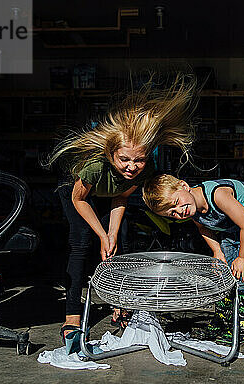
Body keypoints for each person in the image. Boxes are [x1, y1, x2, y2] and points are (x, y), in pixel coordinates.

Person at [46, 74, 199, 341]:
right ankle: (72, 313)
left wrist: (113, 234)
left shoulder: (144, 169)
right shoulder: (95, 166)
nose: (131, 166)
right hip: (76, 191)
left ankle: (121, 304)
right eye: (124, 159)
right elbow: (79, 200)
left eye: (138, 160)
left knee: (122, 241)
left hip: (109, 193)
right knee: (82, 240)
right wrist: (102, 234)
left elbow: (120, 198)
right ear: (111, 154)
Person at [142, 174, 244, 345]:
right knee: (224, 275)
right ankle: (223, 322)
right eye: (172, 213)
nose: (180, 212)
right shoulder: (192, 209)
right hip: (232, 226)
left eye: (176, 203)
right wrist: (217, 251)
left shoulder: (218, 195)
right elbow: (204, 228)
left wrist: (243, 257)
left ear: (183, 185)